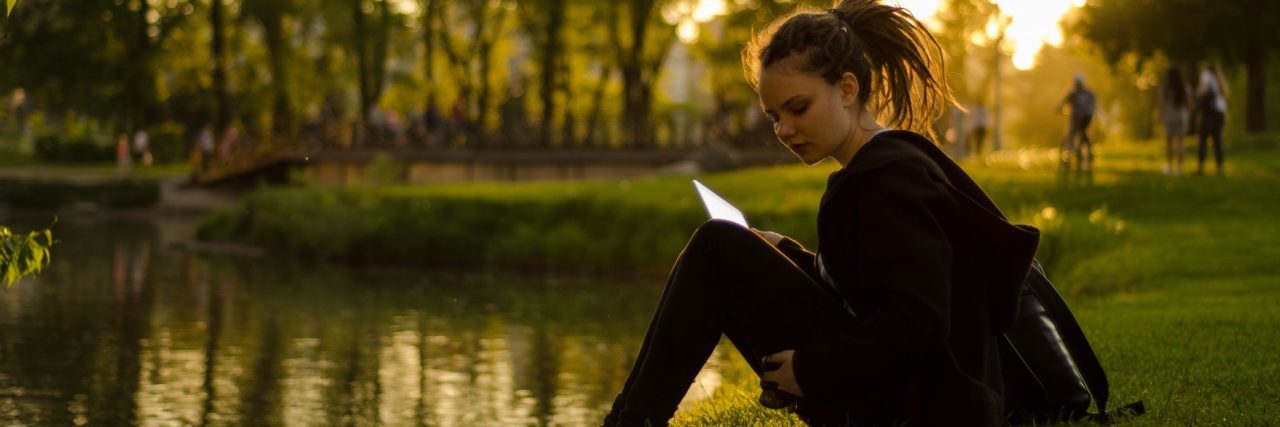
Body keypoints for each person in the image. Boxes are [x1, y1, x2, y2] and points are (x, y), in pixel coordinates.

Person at [602, 1, 1040, 426]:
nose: (784, 130)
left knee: (717, 247)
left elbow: (920, 321)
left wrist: (811, 369)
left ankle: (632, 420)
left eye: (798, 108)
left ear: (847, 89)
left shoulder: (887, 179)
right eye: (774, 116)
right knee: (726, 246)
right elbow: (872, 294)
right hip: (907, 392)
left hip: (920, 406)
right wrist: (786, 253)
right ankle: (630, 418)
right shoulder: (888, 163)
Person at [1195, 62, 1227, 176]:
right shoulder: (1219, 79)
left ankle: (1200, 168)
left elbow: (1202, 91)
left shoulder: (1206, 75)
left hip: (1208, 113)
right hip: (1220, 113)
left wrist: (1198, 95)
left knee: (1203, 140)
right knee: (1218, 141)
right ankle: (1220, 169)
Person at [1060, 73, 1096, 171]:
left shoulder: (1072, 92)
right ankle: (1089, 150)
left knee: (1070, 134)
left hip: (1075, 117)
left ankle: (1067, 156)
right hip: (1087, 117)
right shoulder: (1088, 92)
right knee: (1084, 133)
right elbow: (1093, 105)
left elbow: (1061, 103)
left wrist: (1058, 108)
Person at [1159, 67, 1191, 176]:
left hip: (1169, 117)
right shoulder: (1184, 88)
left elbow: (1161, 104)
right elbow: (1189, 104)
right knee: (1180, 143)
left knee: (1169, 143)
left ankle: (1169, 166)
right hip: (1181, 117)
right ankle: (1179, 168)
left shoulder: (1166, 89)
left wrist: (1160, 117)